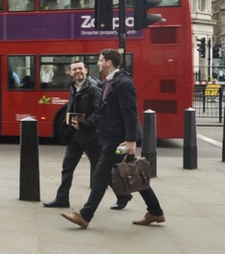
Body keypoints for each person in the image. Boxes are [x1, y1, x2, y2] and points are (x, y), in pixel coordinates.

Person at [62, 48, 165, 229]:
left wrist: (131, 140)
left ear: (109, 62)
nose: (98, 63)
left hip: (118, 139)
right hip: (111, 136)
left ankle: (85, 216)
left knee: (101, 175)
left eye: (100, 60)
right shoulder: (108, 82)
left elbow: (130, 112)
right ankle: (155, 211)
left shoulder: (123, 83)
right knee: (134, 173)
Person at [43, 61, 101, 208]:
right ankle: (62, 199)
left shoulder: (93, 88)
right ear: (70, 73)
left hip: (89, 136)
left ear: (86, 70)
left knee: (101, 168)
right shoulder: (74, 87)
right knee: (67, 168)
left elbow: (99, 113)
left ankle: (123, 194)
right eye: (74, 69)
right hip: (74, 135)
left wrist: (84, 123)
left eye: (80, 69)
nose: (78, 71)